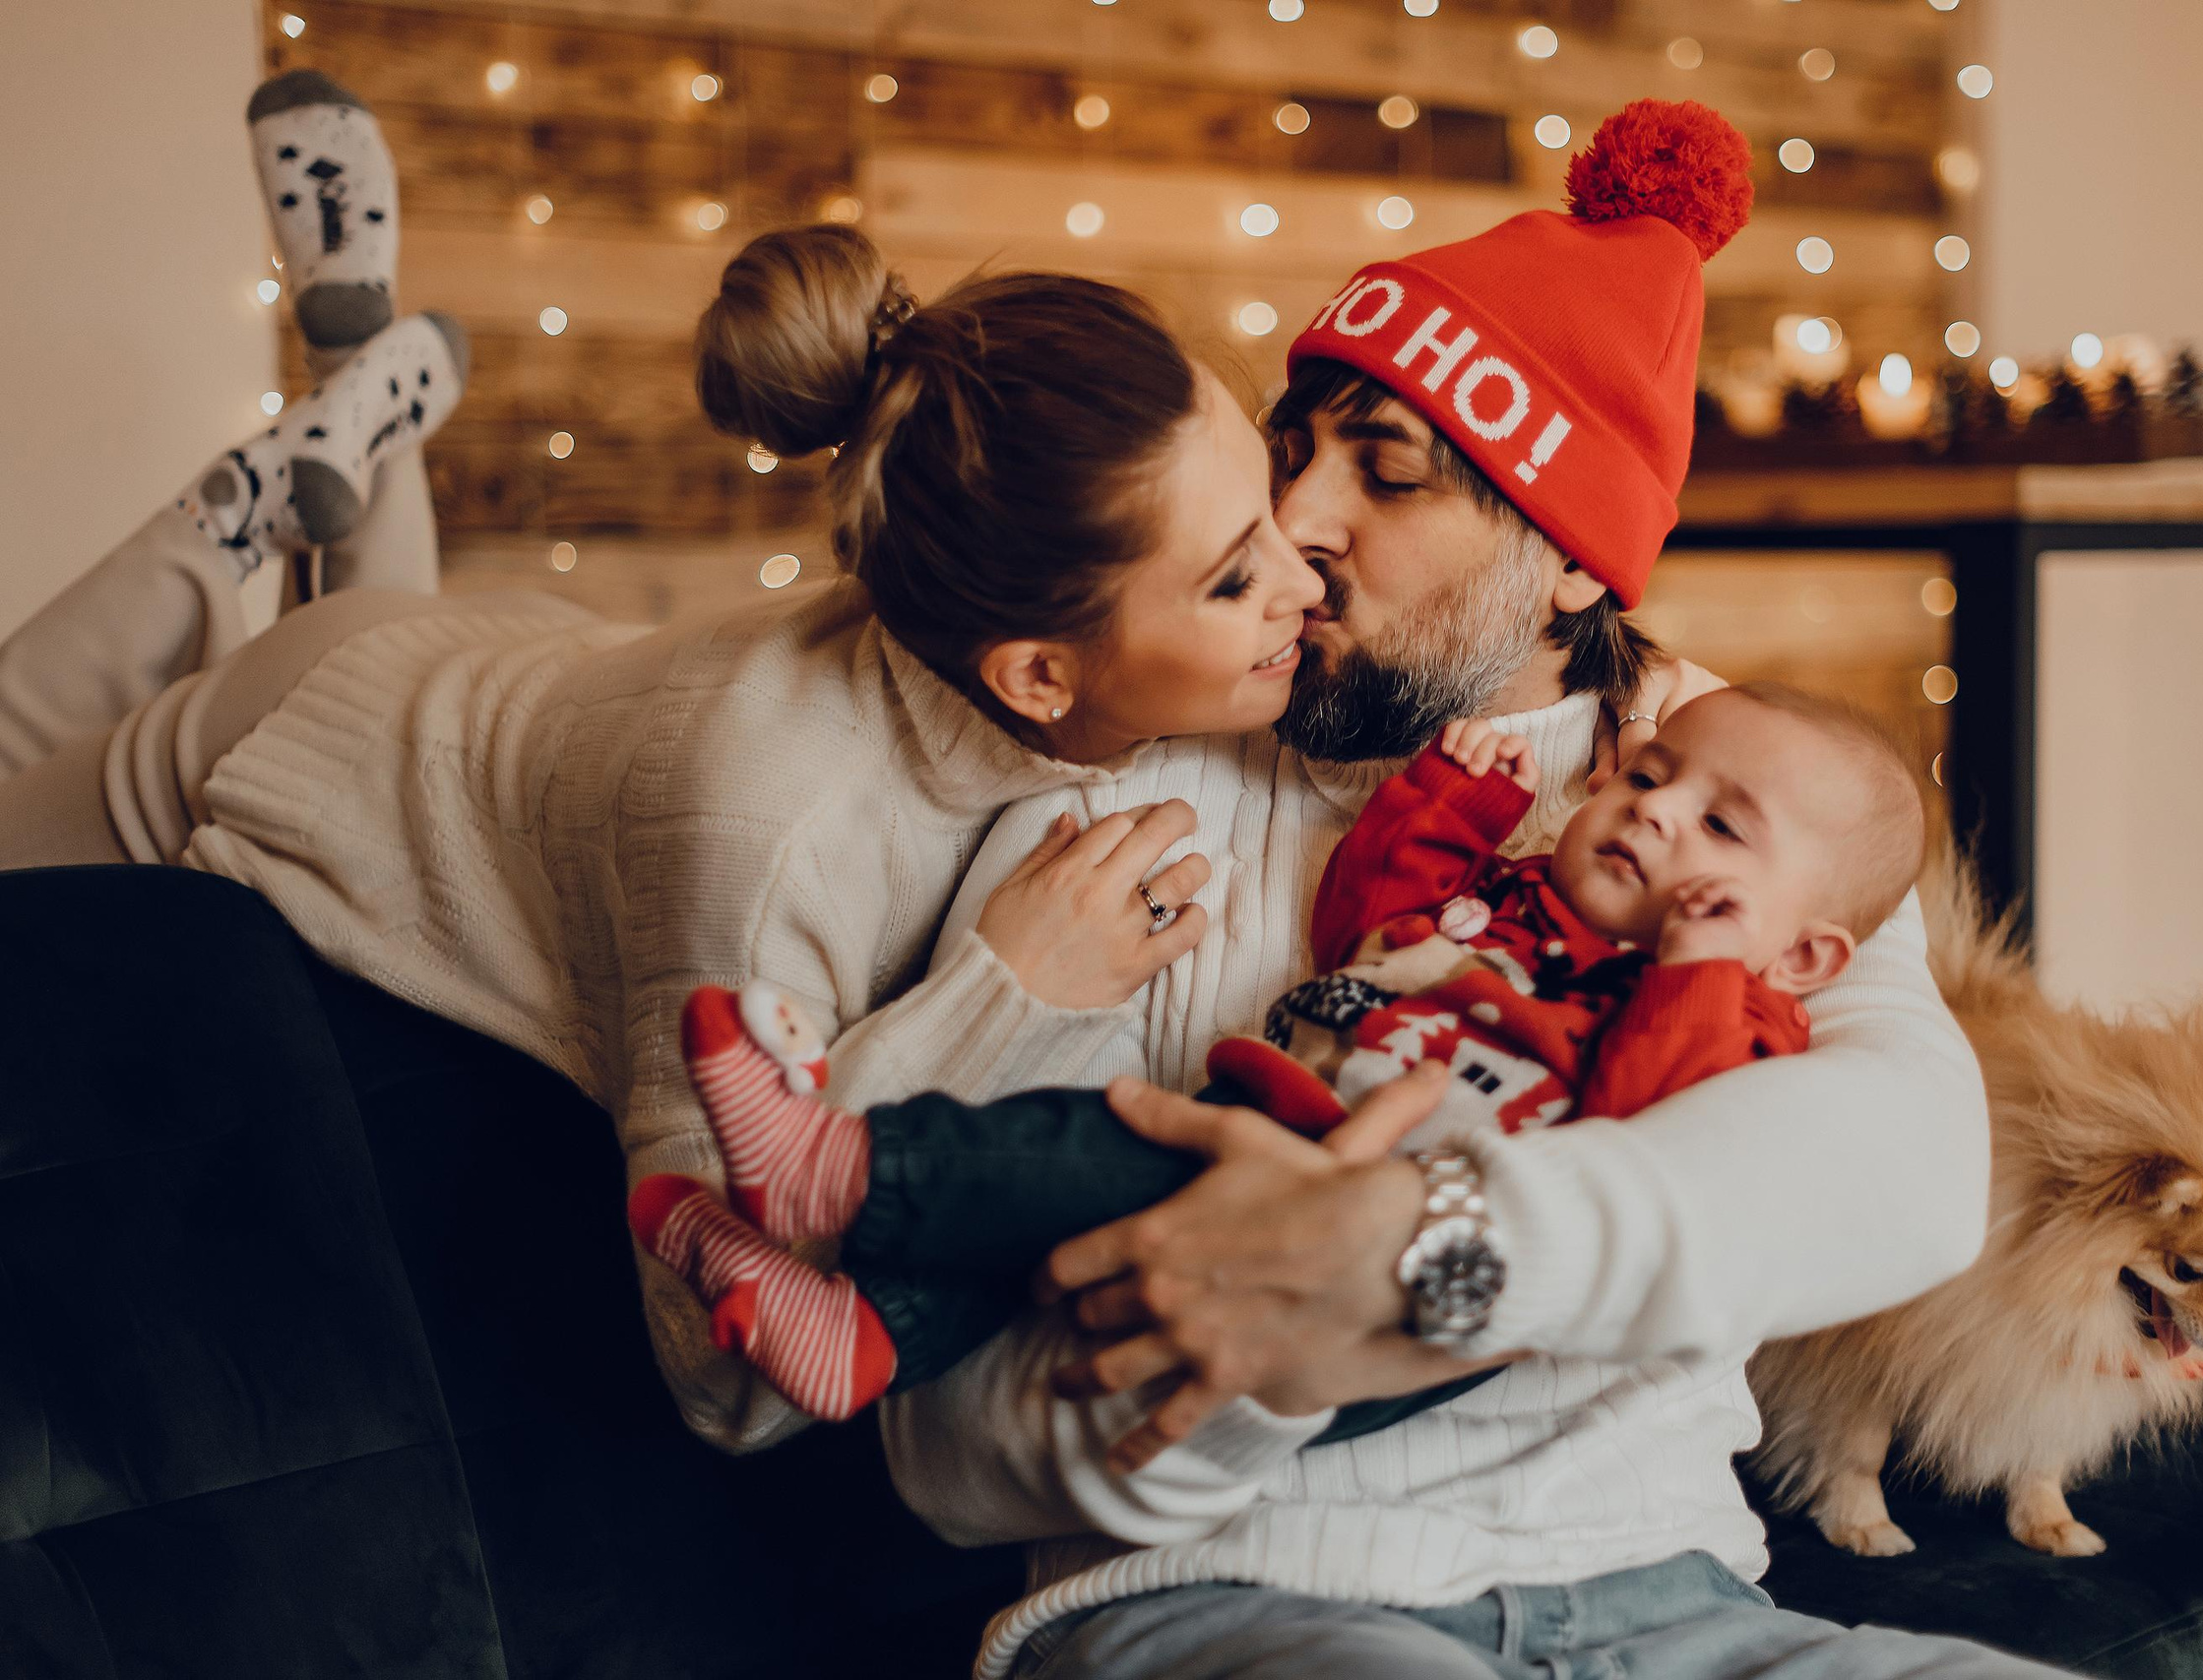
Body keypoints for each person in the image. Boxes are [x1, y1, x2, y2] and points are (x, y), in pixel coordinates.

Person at [0, 70, 1383, 1448]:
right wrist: (997, 991)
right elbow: (721, 1374)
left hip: (495, 677)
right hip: (293, 742)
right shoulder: (766, 835)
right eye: (1229, 577)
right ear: (1035, 674)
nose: (1305, 578)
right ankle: (235, 507)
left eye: (1264, 512)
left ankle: (358, 398)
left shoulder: (999, 633)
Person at [868, 101, 2066, 1679]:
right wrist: (1267, 1369)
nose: (1293, 528)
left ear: (1573, 562)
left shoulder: (1726, 799)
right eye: (1291, 456)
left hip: (1674, 1598)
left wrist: (1426, 1252)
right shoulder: (1127, 795)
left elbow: (1907, 1176)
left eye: (1391, 476)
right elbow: (939, 1447)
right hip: (1225, 1602)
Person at [620, 679, 1927, 1429]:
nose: (1652, 813)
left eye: (1719, 828)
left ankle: (840, 1168)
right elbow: (1371, 923)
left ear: (1804, 954)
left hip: (1391, 1276)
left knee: (1088, 1155)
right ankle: (863, 1337)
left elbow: (1657, 1128)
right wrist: (1457, 801)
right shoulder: (1519, 905)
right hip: (1275, 1119)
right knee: (1068, 1226)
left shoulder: (1740, 1020)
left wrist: (1701, 963)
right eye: (1648, 776)